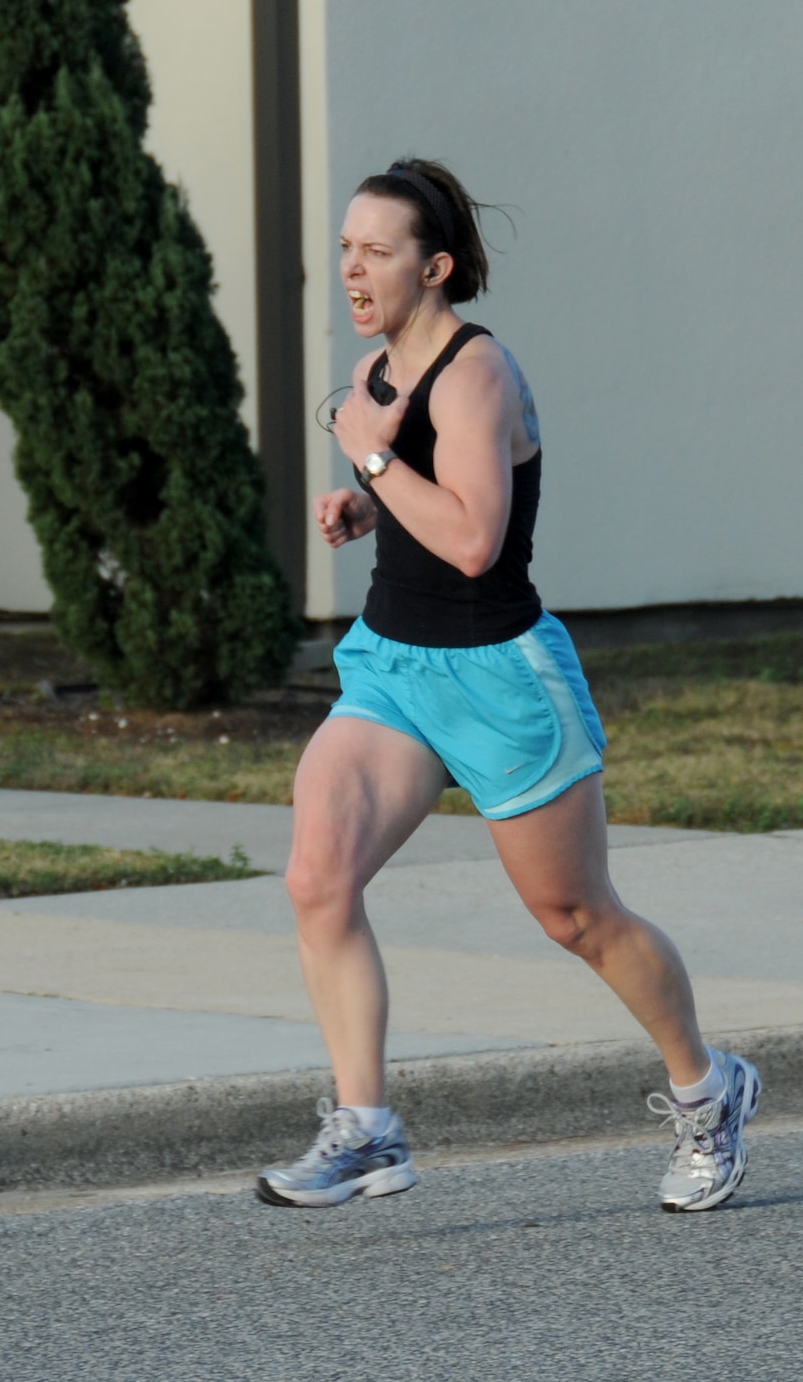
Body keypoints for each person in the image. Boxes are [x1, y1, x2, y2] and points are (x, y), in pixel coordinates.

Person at [256, 158, 760, 1213]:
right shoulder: (373, 378)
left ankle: (707, 1088)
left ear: (433, 267)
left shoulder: (476, 374)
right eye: (345, 247)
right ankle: (366, 1128)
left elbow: (480, 542)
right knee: (316, 878)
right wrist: (367, 507)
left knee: (576, 915)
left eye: (375, 251)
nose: (351, 268)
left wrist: (375, 466)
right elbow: (420, 499)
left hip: (498, 676)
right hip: (392, 669)